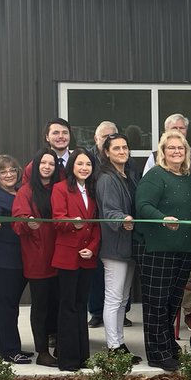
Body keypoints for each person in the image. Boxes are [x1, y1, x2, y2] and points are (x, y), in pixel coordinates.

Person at [136, 129, 191, 371]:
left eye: (180, 148)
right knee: (157, 303)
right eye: (171, 148)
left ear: (187, 153)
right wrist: (162, 218)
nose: (176, 152)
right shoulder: (155, 176)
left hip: (183, 250)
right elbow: (142, 205)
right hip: (157, 249)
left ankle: (168, 346)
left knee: (172, 302)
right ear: (163, 152)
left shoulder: (188, 178)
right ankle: (157, 353)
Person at [51, 148, 100, 371]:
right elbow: (57, 220)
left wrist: (92, 248)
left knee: (81, 306)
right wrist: (73, 222)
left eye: (88, 164)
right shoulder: (60, 189)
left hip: (87, 256)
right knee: (68, 306)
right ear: (71, 166)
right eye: (80, 164)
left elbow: (98, 224)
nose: (84, 168)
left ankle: (83, 356)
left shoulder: (92, 190)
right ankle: (67, 359)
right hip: (67, 255)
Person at [12, 149, 61, 366]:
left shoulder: (60, 188)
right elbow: (17, 220)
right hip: (38, 255)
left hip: (59, 254)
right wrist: (27, 223)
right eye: (44, 162)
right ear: (36, 166)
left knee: (58, 302)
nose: (47, 166)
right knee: (40, 305)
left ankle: (61, 344)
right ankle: (42, 351)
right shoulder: (26, 191)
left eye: (52, 163)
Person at [0, 155, 29, 364]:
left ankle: (3, 345)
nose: (9, 174)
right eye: (3, 172)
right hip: (2, 259)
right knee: (5, 305)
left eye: (12, 170)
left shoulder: (20, 192)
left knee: (10, 304)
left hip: (19, 257)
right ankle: (10, 351)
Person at [96, 133, 139, 361]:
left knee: (123, 298)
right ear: (107, 152)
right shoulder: (106, 178)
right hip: (114, 246)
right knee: (113, 298)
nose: (122, 151)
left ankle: (120, 343)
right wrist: (123, 219)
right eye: (116, 148)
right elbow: (109, 210)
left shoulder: (127, 175)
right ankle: (113, 347)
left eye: (125, 147)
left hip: (128, 246)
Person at [86, 120, 119, 330]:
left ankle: (118, 314)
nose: (108, 139)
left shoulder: (122, 158)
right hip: (93, 218)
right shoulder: (89, 158)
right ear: (96, 139)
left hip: (114, 222)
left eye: (112, 136)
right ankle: (96, 312)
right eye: (104, 136)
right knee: (96, 270)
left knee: (116, 273)